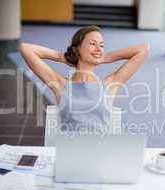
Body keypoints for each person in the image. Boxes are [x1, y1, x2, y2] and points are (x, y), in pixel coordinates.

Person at [19, 25, 150, 132]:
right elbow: (26, 49)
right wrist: (62, 56)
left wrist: (106, 57)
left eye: (102, 45)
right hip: (70, 154)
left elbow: (144, 49)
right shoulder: (60, 84)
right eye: (93, 44)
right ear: (78, 49)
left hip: (100, 154)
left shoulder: (111, 84)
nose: (99, 49)